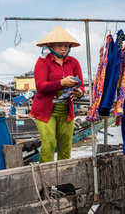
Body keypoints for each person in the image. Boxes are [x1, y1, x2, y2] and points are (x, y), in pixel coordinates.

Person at [31, 26, 85, 162]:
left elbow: (82, 87)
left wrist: (78, 92)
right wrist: (62, 83)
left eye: (66, 45)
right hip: (45, 111)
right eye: (59, 45)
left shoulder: (74, 62)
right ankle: (45, 182)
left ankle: (63, 182)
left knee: (65, 149)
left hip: (66, 111)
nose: (63, 48)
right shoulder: (43, 61)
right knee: (49, 145)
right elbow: (40, 86)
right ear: (50, 46)